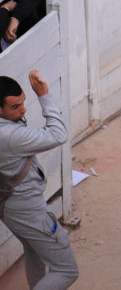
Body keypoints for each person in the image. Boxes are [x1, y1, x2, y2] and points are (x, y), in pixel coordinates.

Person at [0, 70, 79, 290]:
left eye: (23, 102)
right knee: (67, 270)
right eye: (15, 107)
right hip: (27, 208)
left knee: (33, 250)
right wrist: (43, 95)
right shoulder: (9, 135)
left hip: (9, 206)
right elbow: (58, 134)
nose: (23, 109)